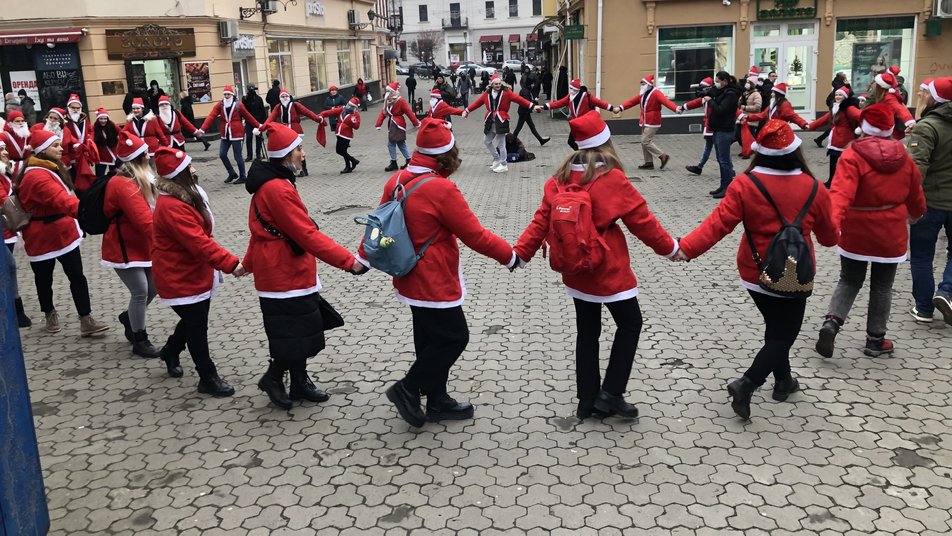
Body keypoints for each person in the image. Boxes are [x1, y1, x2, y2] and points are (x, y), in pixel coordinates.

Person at [356, 118, 521, 427]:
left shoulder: (397, 181)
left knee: (429, 338)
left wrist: (362, 258)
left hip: (407, 275)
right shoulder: (442, 189)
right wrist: (510, 256)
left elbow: (376, 222)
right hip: (434, 279)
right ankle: (407, 388)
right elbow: (476, 236)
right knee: (454, 337)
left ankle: (437, 400)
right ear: (447, 154)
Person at [514, 110, 679, 419]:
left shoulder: (559, 179)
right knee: (631, 324)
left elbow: (541, 221)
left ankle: (587, 400)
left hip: (575, 268)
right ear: (605, 142)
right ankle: (612, 393)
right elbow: (643, 223)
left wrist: (520, 254)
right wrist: (672, 250)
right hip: (609, 268)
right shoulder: (611, 178)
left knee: (587, 332)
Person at [676, 120, 838, 419]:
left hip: (755, 272)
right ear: (796, 151)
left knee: (777, 328)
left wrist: (685, 248)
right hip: (795, 272)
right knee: (784, 334)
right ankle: (747, 383)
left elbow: (718, 224)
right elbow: (829, 239)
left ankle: (784, 381)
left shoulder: (744, 184)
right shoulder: (814, 187)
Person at [243, 123, 366, 409]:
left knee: (298, 331)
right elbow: (306, 234)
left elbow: (261, 228)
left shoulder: (277, 182)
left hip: (283, 270)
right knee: (294, 333)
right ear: (286, 155)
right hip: (283, 273)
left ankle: (299, 382)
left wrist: (248, 264)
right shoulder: (277, 188)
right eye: (298, 148)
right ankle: (273, 378)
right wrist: (349, 262)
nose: (303, 154)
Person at [814, 104, 926, 359]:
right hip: (891, 232)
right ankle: (876, 340)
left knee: (849, 279)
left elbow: (840, 195)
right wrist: (917, 214)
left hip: (857, 229)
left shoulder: (852, 156)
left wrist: (832, 226)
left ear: (863, 128)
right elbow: (915, 193)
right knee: (882, 286)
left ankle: (832, 322)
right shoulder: (904, 157)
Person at [151, 146, 243, 396]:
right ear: (179, 174)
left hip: (194, 272)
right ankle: (207, 377)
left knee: (194, 321)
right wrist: (232, 263)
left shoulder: (188, 196)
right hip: (179, 276)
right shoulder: (172, 206)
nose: (194, 169)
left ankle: (170, 351)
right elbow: (199, 242)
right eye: (189, 167)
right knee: (197, 326)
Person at [14, 129, 110, 336]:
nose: (60, 149)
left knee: (77, 276)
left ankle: (86, 319)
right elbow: (61, 199)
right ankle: (49, 313)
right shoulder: (37, 176)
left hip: (63, 232)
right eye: (55, 146)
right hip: (42, 236)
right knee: (44, 279)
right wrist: (87, 214)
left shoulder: (49, 168)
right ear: (42, 151)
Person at [103, 131, 164, 358]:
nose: (149, 156)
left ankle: (129, 318)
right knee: (140, 290)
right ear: (138, 158)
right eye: (145, 154)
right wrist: (167, 243)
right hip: (124, 246)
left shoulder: (144, 177)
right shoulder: (122, 184)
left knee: (154, 286)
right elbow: (144, 220)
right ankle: (140, 338)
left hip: (142, 244)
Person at [907, 77, 952, 325]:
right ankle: (946, 293)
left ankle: (924, 307)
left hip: (930, 202)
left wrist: (909, 202)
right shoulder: (925, 126)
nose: (920, 96)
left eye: (924, 94)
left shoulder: (928, 127)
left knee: (922, 256)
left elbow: (917, 168)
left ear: (935, 98)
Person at [463, 74, 534, 174]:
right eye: (496, 84)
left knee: (501, 143)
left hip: (501, 120)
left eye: (499, 83)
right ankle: (497, 158)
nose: (498, 85)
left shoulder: (506, 92)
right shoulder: (487, 93)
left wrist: (532, 106)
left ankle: (504, 164)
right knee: (487, 141)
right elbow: (477, 103)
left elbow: (519, 100)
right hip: (490, 121)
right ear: (491, 84)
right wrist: (467, 110)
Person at [195, 86, 261, 185]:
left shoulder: (239, 105)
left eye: (228, 94)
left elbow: (248, 117)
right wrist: (202, 129)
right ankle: (232, 173)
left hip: (236, 133)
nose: (226, 96)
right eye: (225, 94)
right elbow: (211, 116)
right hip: (225, 133)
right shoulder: (220, 105)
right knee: (222, 154)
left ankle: (243, 176)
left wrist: (259, 126)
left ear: (232, 95)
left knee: (237, 156)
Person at [613, 74, 677, 170]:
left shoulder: (656, 93)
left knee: (645, 141)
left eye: (643, 84)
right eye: (641, 84)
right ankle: (648, 162)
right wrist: (620, 108)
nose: (641, 86)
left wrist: (676, 109)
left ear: (649, 85)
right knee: (644, 141)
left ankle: (662, 156)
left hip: (653, 120)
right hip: (645, 120)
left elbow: (666, 102)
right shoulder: (643, 94)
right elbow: (632, 102)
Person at [0, 139, 31, 327]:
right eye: (0, 150)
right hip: (4, 230)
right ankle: (15, 309)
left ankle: (15, 309)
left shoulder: (5, 172)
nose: (5, 152)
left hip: (8, 230)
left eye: (5, 149)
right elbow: (3, 199)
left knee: (9, 268)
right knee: (9, 268)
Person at [534, 78, 612, 150]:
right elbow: (558, 103)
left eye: (571, 89)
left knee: (584, 142)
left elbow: (600, 103)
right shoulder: (570, 97)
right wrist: (543, 106)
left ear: (576, 90)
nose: (570, 90)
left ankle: (586, 155)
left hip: (586, 124)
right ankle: (583, 154)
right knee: (572, 142)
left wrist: (612, 109)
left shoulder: (587, 96)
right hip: (576, 125)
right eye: (570, 88)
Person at [807, 87, 861, 188]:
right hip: (835, 139)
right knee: (833, 161)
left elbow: (861, 116)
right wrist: (809, 126)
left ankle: (847, 182)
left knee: (845, 162)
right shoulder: (835, 107)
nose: (837, 97)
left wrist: (864, 127)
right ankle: (831, 181)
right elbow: (824, 119)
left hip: (845, 139)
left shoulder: (848, 108)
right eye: (836, 95)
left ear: (845, 97)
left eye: (840, 95)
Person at [260, 90, 321, 176]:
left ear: (289, 97)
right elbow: (271, 118)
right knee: (287, 151)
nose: (284, 98)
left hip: (295, 129)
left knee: (298, 150)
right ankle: (289, 168)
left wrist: (318, 119)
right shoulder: (278, 107)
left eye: (286, 96)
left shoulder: (295, 105)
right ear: (280, 98)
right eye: (282, 97)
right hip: (284, 130)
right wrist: (262, 127)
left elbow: (307, 112)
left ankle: (304, 169)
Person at [706, 71, 742, 198]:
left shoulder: (731, 94)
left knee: (724, 160)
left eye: (718, 80)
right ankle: (723, 186)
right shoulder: (724, 91)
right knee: (720, 159)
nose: (716, 83)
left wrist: (710, 101)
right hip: (718, 129)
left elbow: (721, 110)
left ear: (725, 81)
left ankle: (728, 188)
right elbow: (713, 94)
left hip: (724, 130)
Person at [376, 82, 420, 172]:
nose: (387, 93)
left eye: (389, 91)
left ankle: (395, 162)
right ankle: (407, 160)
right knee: (400, 143)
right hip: (393, 124)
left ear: (393, 92)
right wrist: (378, 123)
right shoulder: (388, 101)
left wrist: (416, 123)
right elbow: (383, 112)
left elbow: (409, 112)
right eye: (387, 91)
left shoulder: (400, 101)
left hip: (398, 125)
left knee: (392, 143)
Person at [680, 77, 715, 176]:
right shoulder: (706, 98)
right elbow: (695, 103)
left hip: (717, 127)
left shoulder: (716, 97)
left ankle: (728, 169)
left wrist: (741, 116)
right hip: (711, 126)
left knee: (721, 150)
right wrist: (683, 107)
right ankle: (699, 167)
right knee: (711, 147)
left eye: (702, 88)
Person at [64, 94, 99, 194]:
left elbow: (90, 130)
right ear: (68, 107)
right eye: (73, 107)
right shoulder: (65, 120)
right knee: (75, 178)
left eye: (78, 108)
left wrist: (89, 140)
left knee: (86, 176)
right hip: (72, 154)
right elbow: (66, 134)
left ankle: (86, 194)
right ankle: (79, 195)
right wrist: (74, 142)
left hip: (84, 152)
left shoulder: (84, 119)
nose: (75, 110)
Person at [318, 97, 361, 173]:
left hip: (347, 135)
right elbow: (331, 112)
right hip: (339, 133)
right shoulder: (342, 109)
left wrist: (352, 121)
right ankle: (351, 163)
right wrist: (322, 114)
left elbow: (356, 126)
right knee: (340, 150)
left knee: (342, 151)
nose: (349, 107)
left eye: (351, 106)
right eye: (349, 105)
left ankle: (351, 163)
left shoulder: (355, 114)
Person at [740, 82, 809, 130]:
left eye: (773, 92)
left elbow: (793, 116)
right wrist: (748, 117)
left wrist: (803, 124)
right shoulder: (774, 104)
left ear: (777, 94)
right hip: (772, 129)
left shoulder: (784, 104)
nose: (771, 94)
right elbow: (763, 115)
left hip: (780, 130)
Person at [868, 71, 915, 139]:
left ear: (880, 87)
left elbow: (899, 109)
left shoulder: (888, 98)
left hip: (890, 133)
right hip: (887, 131)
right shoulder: (884, 96)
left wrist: (910, 122)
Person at [814, 72, 849, 147]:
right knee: (835, 126)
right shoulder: (841, 86)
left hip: (833, 105)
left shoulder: (837, 84)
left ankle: (820, 139)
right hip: (837, 106)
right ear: (843, 78)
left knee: (834, 125)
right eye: (845, 76)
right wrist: (848, 85)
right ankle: (820, 139)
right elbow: (850, 93)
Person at [513, 82, 550, 146]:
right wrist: (535, 101)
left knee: (532, 126)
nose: (533, 85)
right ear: (529, 85)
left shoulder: (524, 90)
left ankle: (541, 140)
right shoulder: (526, 92)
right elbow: (527, 102)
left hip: (525, 111)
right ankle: (512, 141)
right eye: (532, 84)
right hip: (523, 112)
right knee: (519, 127)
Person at [737, 77, 763, 158]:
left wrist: (745, 107)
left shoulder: (756, 94)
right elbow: (739, 104)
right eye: (747, 82)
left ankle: (748, 152)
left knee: (748, 137)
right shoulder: (744, 93)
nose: (747, 84)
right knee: (739, 136)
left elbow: (757, 107)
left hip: (751, 119)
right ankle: (746, 149)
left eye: (749, 82)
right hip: (742, 118)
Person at [242, 85, 267, 162]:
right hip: (249, 122)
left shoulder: (259, 99)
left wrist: (263, 123)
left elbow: (263, 111)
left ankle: (258, 154)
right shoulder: (245, 99)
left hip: (258, 122)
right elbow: (243, 110)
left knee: (258, 139)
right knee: (249, 138)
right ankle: (249, 155)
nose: (251, 91)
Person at [93, 108, 121, 177]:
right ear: (98, 119)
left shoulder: (113, 126)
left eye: (105, 119)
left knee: (115, 176)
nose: (103, 121)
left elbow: (122, 133)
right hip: (101, 156)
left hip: (113, 155)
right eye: (101, 119)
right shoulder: (94, 128)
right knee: (99, 176)